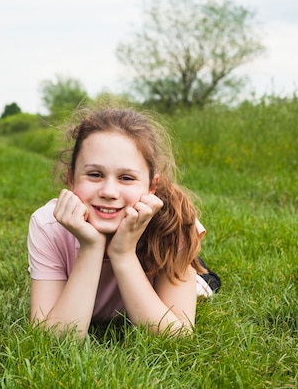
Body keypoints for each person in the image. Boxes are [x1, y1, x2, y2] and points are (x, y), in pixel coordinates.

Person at [27, 106, 219, 338]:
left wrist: (123, 253)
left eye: (126, 178)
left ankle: (198, 277)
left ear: (152, 186)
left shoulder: (173, 223)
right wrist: (91, 247)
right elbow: (52, 338)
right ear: (70, 178)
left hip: (155, 245)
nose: (109, 191)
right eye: (95, 175)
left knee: (203, 284)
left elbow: (177, 336)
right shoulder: (48, 225)